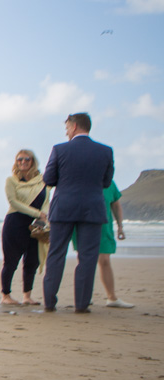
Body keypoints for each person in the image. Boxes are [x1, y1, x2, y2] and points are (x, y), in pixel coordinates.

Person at [42, 112, 114, 313]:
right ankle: (81, 304)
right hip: (92, 208)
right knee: (88, 257)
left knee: (56, 254)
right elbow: (106, 182)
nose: (66, 132)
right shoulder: (105, 151)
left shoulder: (59, 150)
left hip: (63, 207)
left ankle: (49, 302)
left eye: (67, 128)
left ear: (74, 127)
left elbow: (48, 179)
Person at [0, 149, 47, 306]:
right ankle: (5, 295)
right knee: (10, 261)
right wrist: (36, 212)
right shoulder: (11, 181)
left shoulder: (42, 181)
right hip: (15, 224)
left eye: (27, 159)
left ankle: (27, 296)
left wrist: (43, 218)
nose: (23, 162)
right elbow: (13, 202)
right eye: (19, 159)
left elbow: (47, 201)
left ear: (33, 161)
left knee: (32, 261)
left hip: (35, 225)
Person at [79, 181, 134, 309]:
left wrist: (120, 226)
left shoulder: (108, 182)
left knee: (104, 260)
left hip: (104, 226)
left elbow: (115, 204)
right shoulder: (81, 178)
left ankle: (111, 297)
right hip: (83, 225)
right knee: (85, 260)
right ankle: (85, 296)